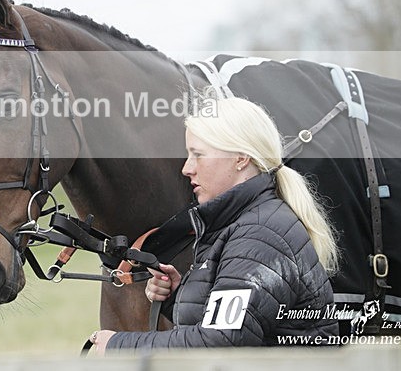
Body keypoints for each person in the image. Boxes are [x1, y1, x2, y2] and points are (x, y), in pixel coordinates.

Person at [90, 97, 340, 353]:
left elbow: (220, 343)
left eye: (198, 155)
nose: (186, 168)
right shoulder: (244, 223)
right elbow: (235, 326)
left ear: (241, 158)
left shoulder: (259, 235)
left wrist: (118, 345)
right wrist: (178, 296)